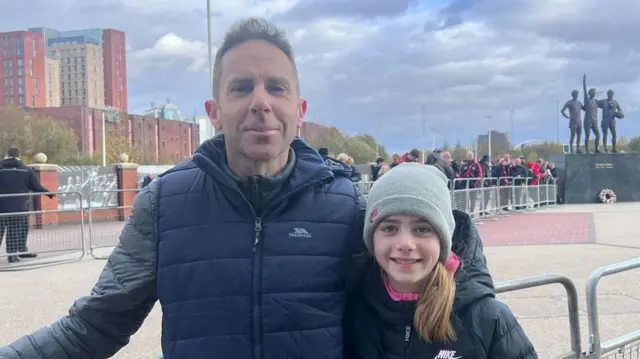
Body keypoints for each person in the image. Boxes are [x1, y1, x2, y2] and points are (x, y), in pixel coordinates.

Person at [0, 17, 368, 359]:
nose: (261, 102)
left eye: (277, 87)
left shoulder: (347, 205)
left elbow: (385, 333)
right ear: (214, 111)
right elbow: (95, 326)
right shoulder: (163, 203)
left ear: (299, 109)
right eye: (241, 88)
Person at [344, 163, 537, 358]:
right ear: (371, 237)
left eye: (422, 229)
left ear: (444, 240)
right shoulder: (351, 314)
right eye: (389, 228)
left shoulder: (487, 319)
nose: (405, 244)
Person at [0, 147, 54, 263]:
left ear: (7, 155)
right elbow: (36, 187)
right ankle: (13, 256)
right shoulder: (26, 170)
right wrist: (49, 193)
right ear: (19, 155)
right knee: (14, 230)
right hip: (19, 207)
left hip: (1, 206)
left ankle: (21, 251)